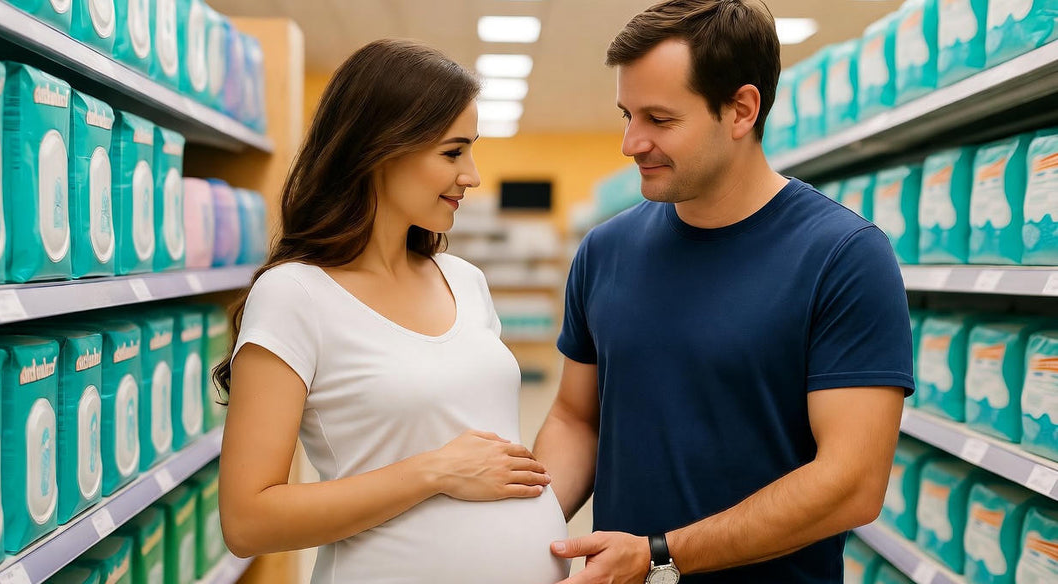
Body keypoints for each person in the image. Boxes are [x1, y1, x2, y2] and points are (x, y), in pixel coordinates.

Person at [533, 1, 914, 583]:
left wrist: (661, 556)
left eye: (659, 120)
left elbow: (853, 484)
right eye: (626, 115)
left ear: (741, 110)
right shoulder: (604, 251)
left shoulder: (843, 257)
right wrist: (523, 527)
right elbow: (576, 417)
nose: (631, 143)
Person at [214, 39, 570, 584]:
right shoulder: (295, 295)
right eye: (453, 153)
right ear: (381, 149)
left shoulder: (466, 282)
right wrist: (434, 472)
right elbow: (248, 520)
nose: (472, 175)